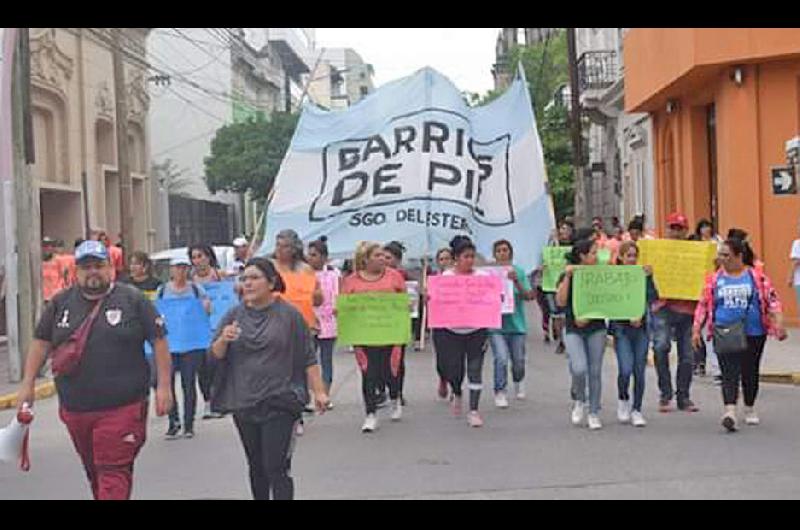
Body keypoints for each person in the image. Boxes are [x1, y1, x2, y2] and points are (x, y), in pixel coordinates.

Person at [16, 240, 172, 500]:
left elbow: (159, 340)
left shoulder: (132, 300)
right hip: (75, 409)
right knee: (96, 472)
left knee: (112, 470)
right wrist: (27, 384)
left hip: (123, 407)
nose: (93, 272)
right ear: (76, 272)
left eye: (99, 265)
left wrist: (164, 387)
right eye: (86, 267)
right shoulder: (60, 304)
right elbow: (41, 342)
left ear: (110, 268)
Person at [210, 258, 329, 500]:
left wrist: (320, 391)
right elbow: (214, 356)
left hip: (281, 399)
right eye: (244, 279)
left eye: (255, 278)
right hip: (244, 401)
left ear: (271, 282)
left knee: (276, 466)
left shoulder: (289, 315)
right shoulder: (234, 315)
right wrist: (224, 339)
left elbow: (308, 356)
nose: (248, 284)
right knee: (257, 466)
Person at [693, 236, 787, 432]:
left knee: (749, 370)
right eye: (720, 255)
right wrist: (696, 329)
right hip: (724, 331)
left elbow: (773, 301)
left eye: (726, 255)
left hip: (753, 332)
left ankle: (749, 406)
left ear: (739, 256)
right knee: (728, 372)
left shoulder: (757, 277)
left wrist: (779, 323)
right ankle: (729, 411)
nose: (722, 259)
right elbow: (703, 305)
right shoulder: (714, 280)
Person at [342, 241, 407, 432]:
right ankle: (370, 413)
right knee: (368, 373)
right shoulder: (352, 281)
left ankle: (395, 397)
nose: (382, 259)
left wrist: (406, 306)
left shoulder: (394, 277)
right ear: (365, 259)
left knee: (391, 372)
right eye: (377, 255)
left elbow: (405, 300)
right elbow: (345, 305)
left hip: (390, 332)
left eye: (383, 255)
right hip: (364, 335)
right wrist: (343, 311)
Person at [435, 235, 491, 428]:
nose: (469, 260)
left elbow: (492, 300)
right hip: (452, 331)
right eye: (466, 256)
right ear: (456, 258)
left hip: (476, 331)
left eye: (472, 256)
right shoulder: (446, 278)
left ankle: (474, 410)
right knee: (455, 369)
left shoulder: (482, 278)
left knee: (475, 369)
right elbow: (439, 301)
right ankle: (456, 391)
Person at [272, 229, 323, 434]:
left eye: (284, 246)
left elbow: (317, 299)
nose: (280, 250)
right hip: (274, 325)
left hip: (302, 326)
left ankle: (298, 413)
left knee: (299, 372)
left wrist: (317, 294)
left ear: (294, 249)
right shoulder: (270, 269)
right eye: (277, 245)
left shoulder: (305, 270)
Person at [157, 256, 212, 439]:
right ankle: (174, 422)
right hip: (170, 344)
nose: (180, 271)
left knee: (189, 383)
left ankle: (189, 424)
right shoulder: (163, 291)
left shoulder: (196, 289)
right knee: (169, 383)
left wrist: (205, 307)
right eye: (177, 267)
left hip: (192, 343)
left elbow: (208, 310)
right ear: (171, 270)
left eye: (184, 267)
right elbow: (156, 313)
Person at [556, 236, 607, 430]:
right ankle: (579, 399)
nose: (596, 256)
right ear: (582, 256)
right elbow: (560, 302)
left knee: (594, 371)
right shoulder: (568, 274)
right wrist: (568, 277)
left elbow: (609, 300)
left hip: (596, 327)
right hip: (573, 328)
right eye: (593, 253)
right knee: (579, 368)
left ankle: (593, 411)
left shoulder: (601, 274)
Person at [651, 212, 700, 413]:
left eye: (680, 228)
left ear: (686, 231)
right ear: (667, 229)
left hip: (688, 309)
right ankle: (665, 393)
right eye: (673, 227)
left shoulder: (696, 253)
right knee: (661, 347)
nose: (676, 232)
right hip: (663, 307)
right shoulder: (658, 251)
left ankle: (684, 396)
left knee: (688, 355)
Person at [610, 241, 659, 427]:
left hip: (641, 328)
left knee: (639, 370)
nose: (632, 259)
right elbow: (610, 300)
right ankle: (623, 399)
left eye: (634, 256)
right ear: (621, 257)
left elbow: (653, 297)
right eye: (628, 255)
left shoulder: (641, 275)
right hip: (621, 328)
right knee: (625, 368)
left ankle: (637, 409)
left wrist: (650, 278)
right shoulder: (614, 276)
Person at [489, 240, 535, 408]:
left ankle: (518, 380)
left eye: (505, 250)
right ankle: (500, 390)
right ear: (494, 254)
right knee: (501, 358)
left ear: (510, 253)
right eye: (499, 250)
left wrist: (516, 282)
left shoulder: (519, 272)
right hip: (496, 326)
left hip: (517, 326)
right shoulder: (489, 274)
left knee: (518, 361)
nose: (502, 253)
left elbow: (529, 296)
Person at [188, 244, 224, 420]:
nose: (197, 261)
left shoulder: (220, 276)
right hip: (198, 329)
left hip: (219, 326)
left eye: (200, 256)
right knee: (203, 366)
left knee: (220, 363)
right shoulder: (190, 282)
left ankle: (222, 399)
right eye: (194, 257)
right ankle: (209, 401)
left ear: (208, 257)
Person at [307, 236, 339, 409]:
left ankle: (325, 395)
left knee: (326, 360)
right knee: (309, 361)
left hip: (328, 322)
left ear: (324, 257)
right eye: (309, 255)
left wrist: (336, 308)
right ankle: (313, 394)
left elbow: (337, 295)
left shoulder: (333, 274)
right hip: (308, 322)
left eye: (314, 255)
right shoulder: (303, 274)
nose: (310, 258)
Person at [431, 247, 454, 399]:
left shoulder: (459, 278)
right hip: (439, 322)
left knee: (455, 356)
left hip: (456, 323)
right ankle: (443, 378)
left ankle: (454, 384)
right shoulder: (433, 279)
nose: (444, 261)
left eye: (447, 258)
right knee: (441, 356)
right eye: (441, 259)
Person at [42, 237, 66, 303]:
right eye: (44, 246)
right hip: (43, 296)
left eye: (49, 246)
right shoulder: (39, 262)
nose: (47, 248)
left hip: (55, 295)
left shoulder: (58, 260)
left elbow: (63, 276)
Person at [790, 218, 800, 312]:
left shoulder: (797, 243)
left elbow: (795, 262)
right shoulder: (797, 243)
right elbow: (795, 262)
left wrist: (790, 277)